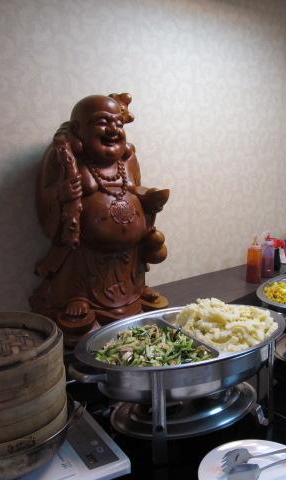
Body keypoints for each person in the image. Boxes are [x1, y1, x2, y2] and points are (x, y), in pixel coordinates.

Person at [29, 94, 169, 346]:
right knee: (78, 257)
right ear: (77, 129)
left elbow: (134, 187)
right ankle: (78, 296)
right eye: (103, 122)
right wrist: (61, 193)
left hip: (129, 250)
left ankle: (136, 290)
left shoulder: (127, 157)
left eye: (118, 123)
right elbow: (44, 198)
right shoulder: (63, 156)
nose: (113, 129)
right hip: (84, 249)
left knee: (133, 261)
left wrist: (149, 197)